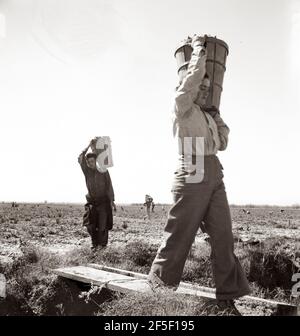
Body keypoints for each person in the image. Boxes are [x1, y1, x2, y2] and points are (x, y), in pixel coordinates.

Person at [148, 35, 250, 315]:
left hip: (214, 169)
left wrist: (217, 117)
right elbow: (191, 81)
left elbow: (224, 143)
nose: (203, 89)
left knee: (223, 236)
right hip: (192, 167)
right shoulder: (182, 104)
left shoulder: (205, 115)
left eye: (208, 86)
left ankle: (227, 297)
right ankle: (158, 291)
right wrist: (199, 52)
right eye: (200, 85)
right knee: (180, 234)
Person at [78, 139, 116, 250]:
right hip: (92, 203)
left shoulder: (103, 170)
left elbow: (109, 185)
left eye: (92, 162)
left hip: (103, 202)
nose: (90, 164)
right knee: (90, 224)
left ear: (96, 161)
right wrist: (88, 145)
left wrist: (112, 201)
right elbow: (80, 158)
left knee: (103, 226)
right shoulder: (87, 171)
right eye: (88, 162)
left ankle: (102, 248)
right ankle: (94, 245)